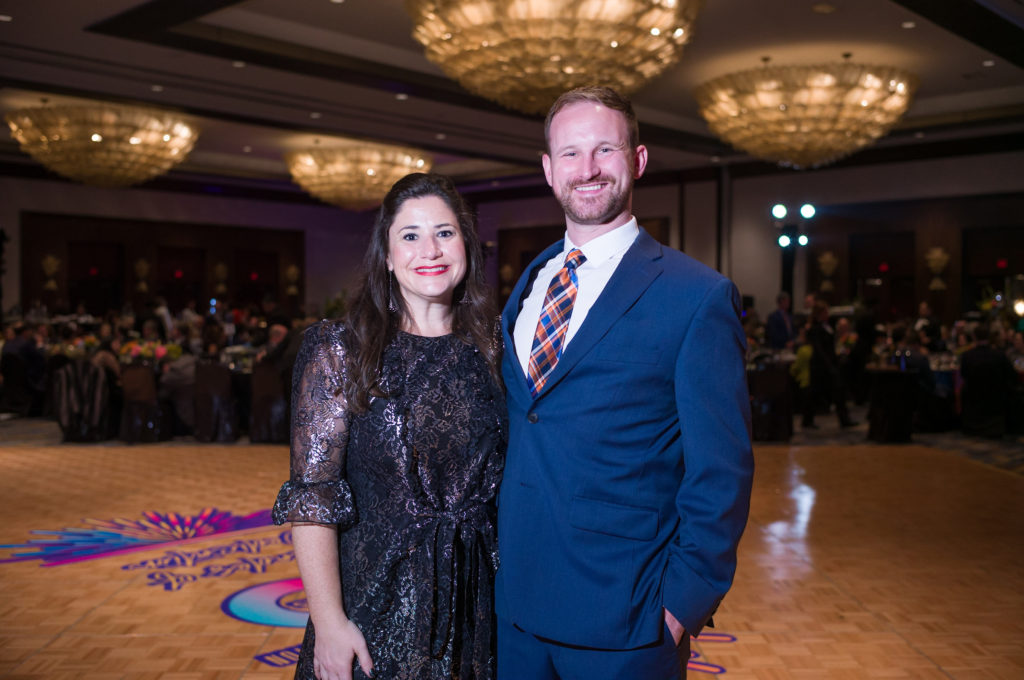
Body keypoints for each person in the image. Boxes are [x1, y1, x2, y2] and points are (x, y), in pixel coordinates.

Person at [497, 86, 754, 680]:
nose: (586, 169)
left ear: (637, 160)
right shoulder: (531, 280)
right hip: (513, 609)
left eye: (604, 149)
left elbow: (722, 469)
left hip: (626, 618)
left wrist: (682, 602)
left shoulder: (697, 296)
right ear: (547, 169)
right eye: (569, 153)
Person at [272, 173, 505, 680]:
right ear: (386, 253)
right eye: (411, 235)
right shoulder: (340, 350)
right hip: (374, 606)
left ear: (466, 244)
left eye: (445, 232)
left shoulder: (496, 349)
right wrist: (329, 622)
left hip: (479, 606)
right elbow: (313, 499)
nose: (431, 249)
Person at [805, 300, 857, 429]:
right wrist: (829, 365)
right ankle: (808, 420)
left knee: (836, 391)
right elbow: (820, 349)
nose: (827, 314)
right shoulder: (815, 328)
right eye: (825, 312)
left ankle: (843, 418)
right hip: (820, 365)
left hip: (828, 364)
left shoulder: (826, 326)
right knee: (817, 393)